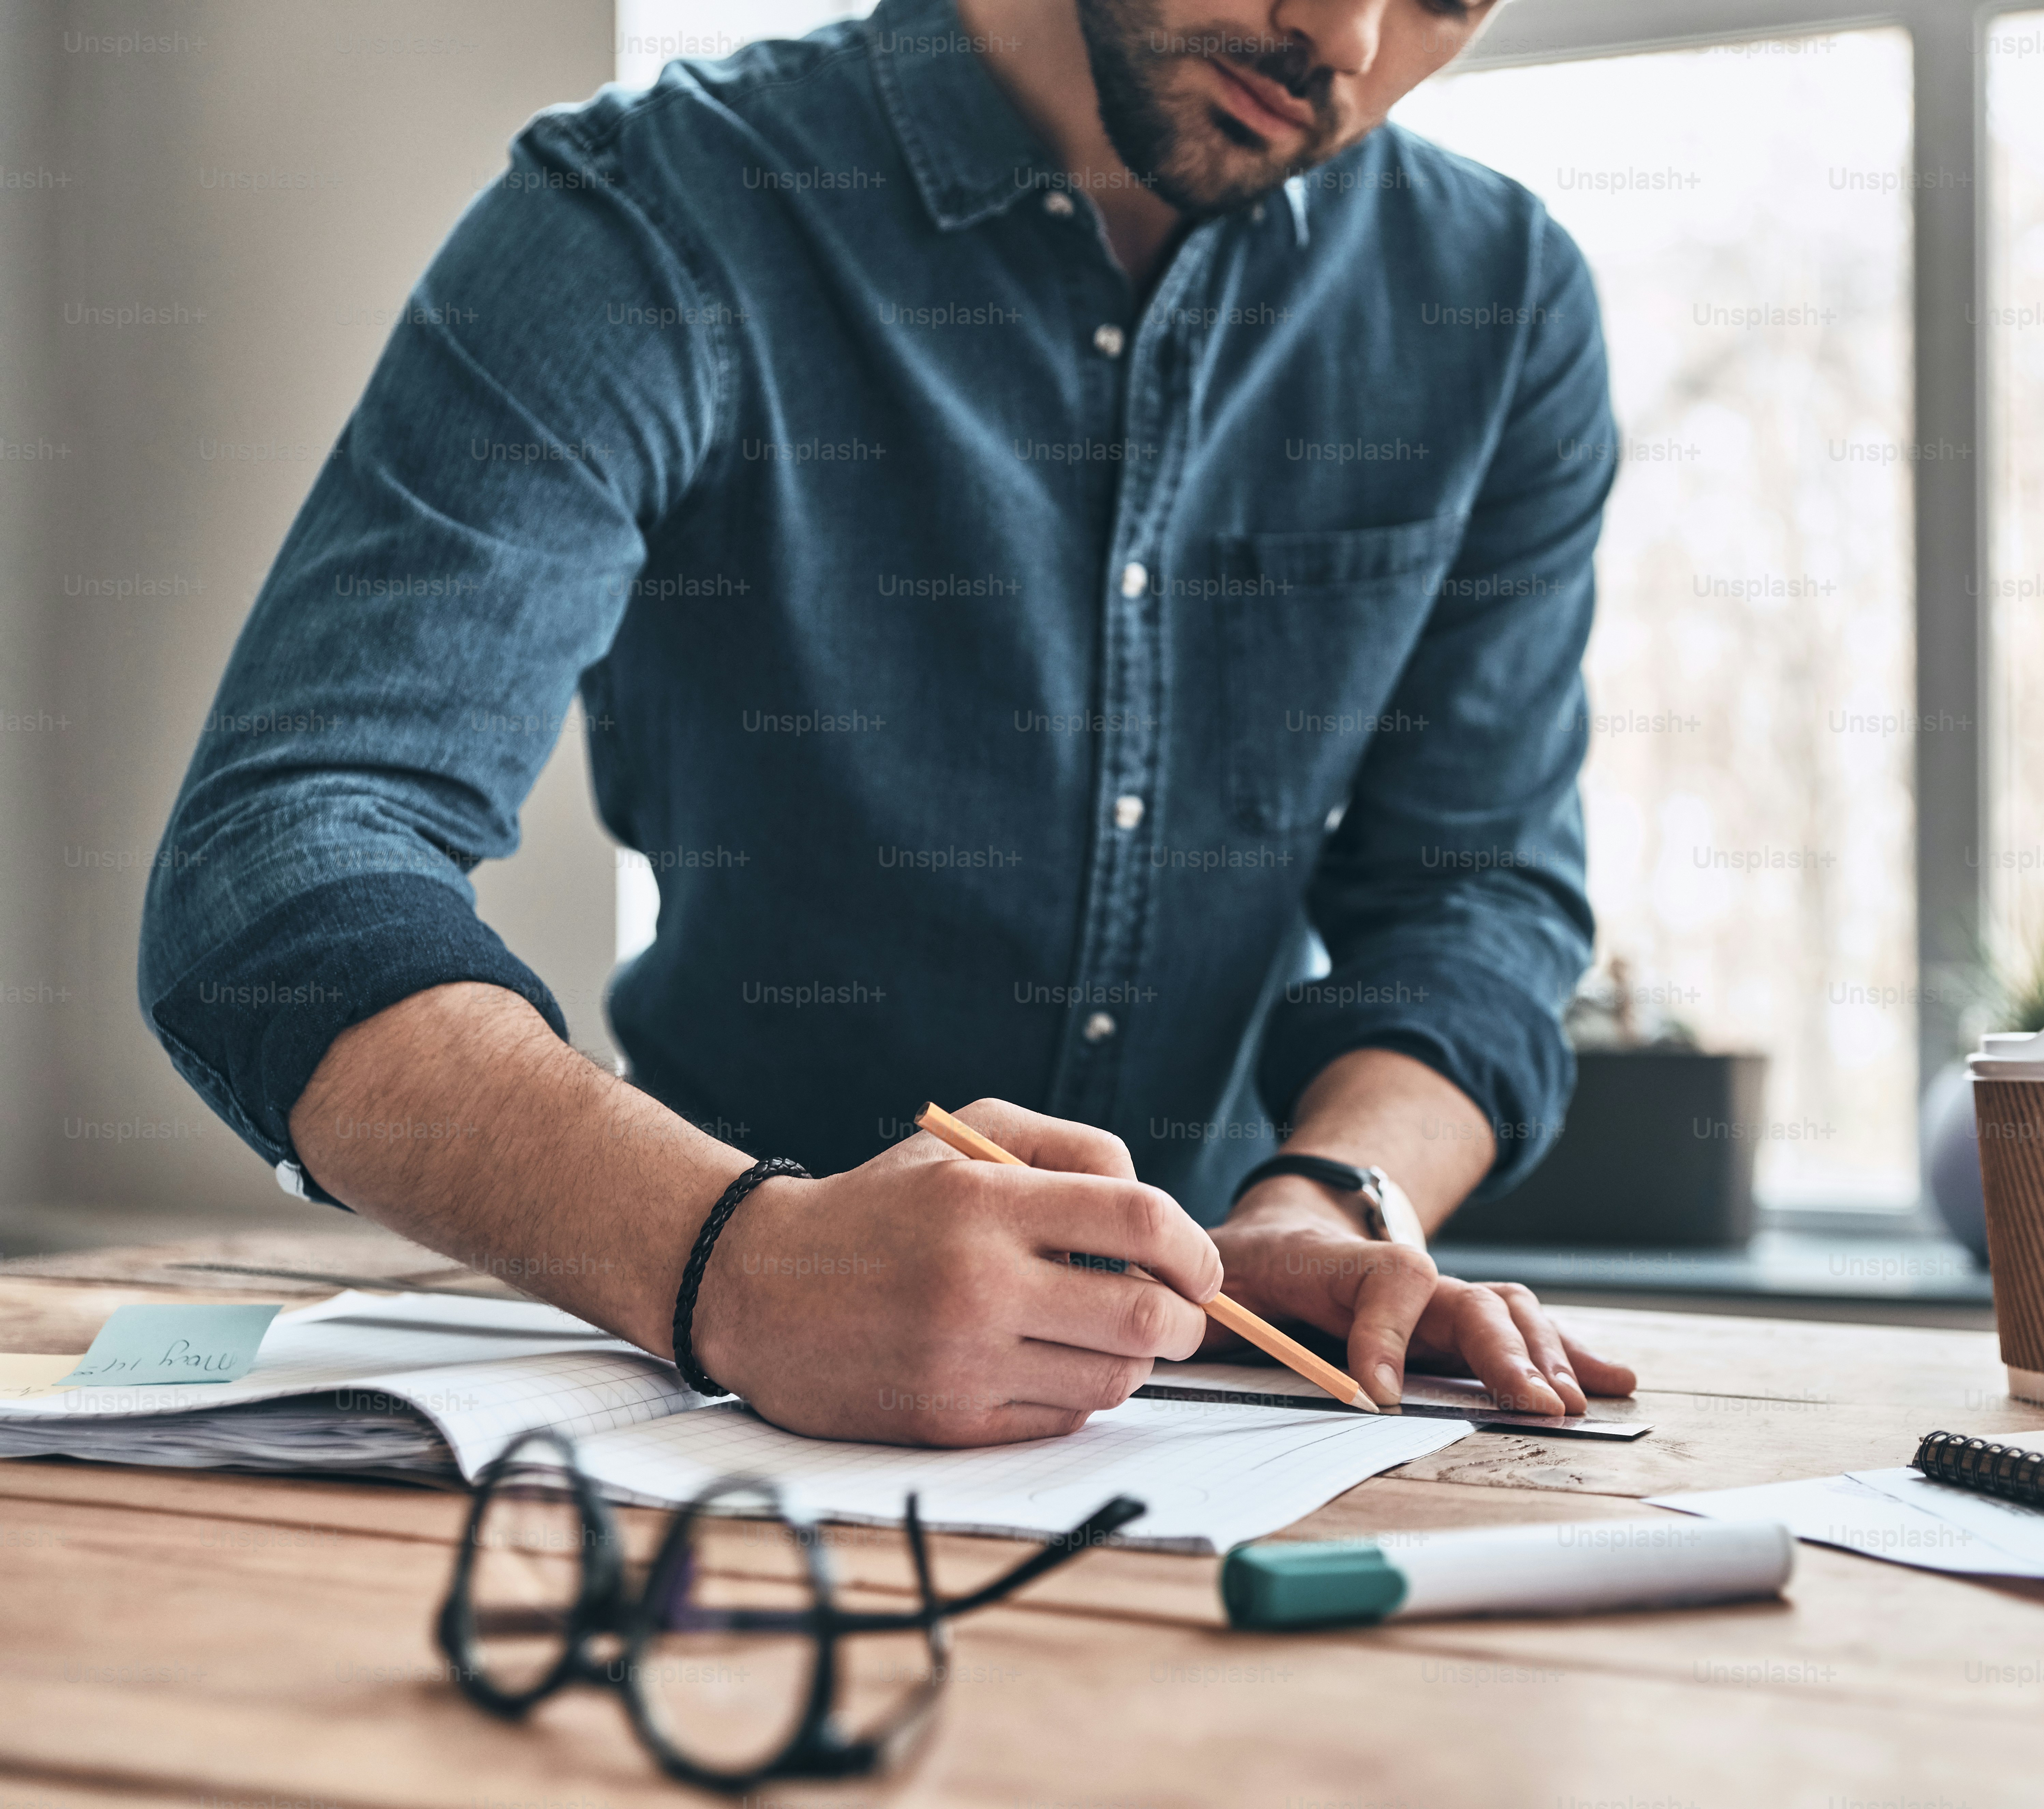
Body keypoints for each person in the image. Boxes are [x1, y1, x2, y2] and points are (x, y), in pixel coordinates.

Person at [139, 0, 1636, 1448]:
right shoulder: (649, 217)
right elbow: (285, 858)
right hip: (687, 1381)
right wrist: (739, 1258)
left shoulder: (1497, 307)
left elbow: (1475, 899)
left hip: (1213, 1409)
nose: (1351, 40)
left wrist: (1316, 1207)